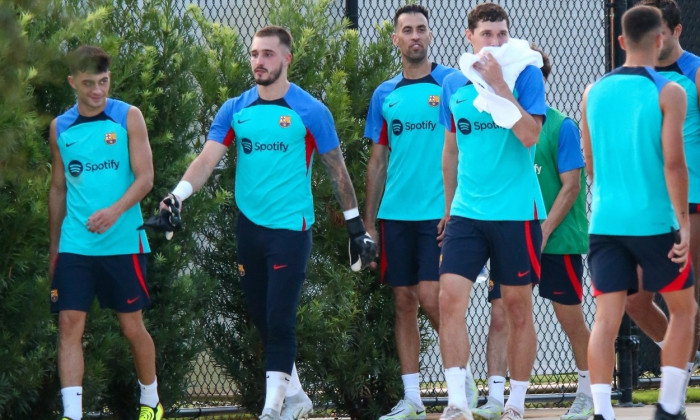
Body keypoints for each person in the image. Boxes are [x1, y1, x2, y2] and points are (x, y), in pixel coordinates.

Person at [161, 26, 376, 420]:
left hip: (291, 230)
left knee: (280, 318)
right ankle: (295, 397)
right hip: (249, 230)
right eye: (255, 54)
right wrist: (177, 195)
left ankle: (272, 409)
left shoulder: (310, 111)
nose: (259, 62)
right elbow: (206, 160)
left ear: (287, 59)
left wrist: (355, 227)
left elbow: (337, 170)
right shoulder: (234, 109)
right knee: (262, 318)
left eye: (268, 55)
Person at [581, 5, 696, 420]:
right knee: (684, 310)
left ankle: (601, 412)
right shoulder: (670, 91)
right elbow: (673, 163)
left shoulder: (593, 91)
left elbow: (589, 161)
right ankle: (668, 406)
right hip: (653, 222)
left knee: (605, 319)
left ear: (621, 41)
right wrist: (682, 222)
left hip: (604, 221)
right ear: (661, 39)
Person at [363, 5, 477, 419]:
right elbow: (377, 161)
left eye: (421, 29)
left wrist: (456, 206)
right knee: (404, 301)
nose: (414, 36)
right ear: (395, 39)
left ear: (430, 36)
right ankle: (412, 399)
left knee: (434, 298)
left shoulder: (451, 82)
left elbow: (467, 144)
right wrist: (369, 224)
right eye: (406, 30)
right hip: (396, 215)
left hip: (440, 213)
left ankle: (458, 382)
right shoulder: (384, 94)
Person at [437, 3, 547, 419]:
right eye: (487, 35)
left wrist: (501, 88)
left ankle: (515, 404)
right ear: (470, 37)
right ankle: (457, 403)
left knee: (517, 309)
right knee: (450, 300)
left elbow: (529, 134)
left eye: (502, 34)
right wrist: (448, 208)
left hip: (516, 212)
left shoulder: (525, 74)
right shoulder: (453, 83)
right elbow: (450, 150)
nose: (496, 42)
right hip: (467, 212)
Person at [472, 46, 593, 420]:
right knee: (500, 316)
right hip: (513, 234)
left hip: (556, 239)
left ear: (541, 78)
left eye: (531, 73)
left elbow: (571, 186)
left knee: (570, 319)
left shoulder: (562, 126)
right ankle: (495, 399)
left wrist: (543, 229)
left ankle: (589, 393)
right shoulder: (502, 122)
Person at [48, 45, 162, 420]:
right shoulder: (60, 128)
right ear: (72, 83)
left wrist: (114, 212)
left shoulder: (129, 117)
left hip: (123, 241)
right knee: (69, 324)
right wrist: (55, 248)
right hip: (76, 246)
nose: (97, 91)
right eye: (88, 83)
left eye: (104, 82)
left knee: (132, 327)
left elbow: (146, 178)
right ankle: (72, 414)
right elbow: (58, 189)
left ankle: (151, 402)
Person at [623, 0, 700, 414]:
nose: (655, 39)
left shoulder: (693, 72)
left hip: (693, 201)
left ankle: (673, 398)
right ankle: (680, 366)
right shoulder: (635, 79)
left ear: (675, 30)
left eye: (662, 32)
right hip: (650, 206)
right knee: (635, 299)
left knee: (688, 300)